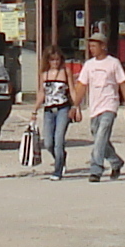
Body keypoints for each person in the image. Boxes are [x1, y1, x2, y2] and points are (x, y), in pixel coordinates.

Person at [76, 34, 125, 181]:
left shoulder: (113, 63)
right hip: (95, 107)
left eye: (94, 46)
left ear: (103, 46)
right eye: (90, 46)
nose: (91, 49)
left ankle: (96, 169)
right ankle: (116, 161)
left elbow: (122, 83)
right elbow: (81, 85)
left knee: (101, 136)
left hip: (110, 105)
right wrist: (75, 105)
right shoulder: (89, 65)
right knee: (99, 137)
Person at [35, 52, 75, 180]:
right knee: (48, 142)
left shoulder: (66, 72)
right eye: (52, 60)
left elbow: (72, 90)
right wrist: (34, 110)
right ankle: (60, 158)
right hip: (48, 110)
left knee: (59, 139)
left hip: (63, 108)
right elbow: (41, 93)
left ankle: (58, 170)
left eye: (57, 60)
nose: (55, 62)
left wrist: (76, 107)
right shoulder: (44, 75)